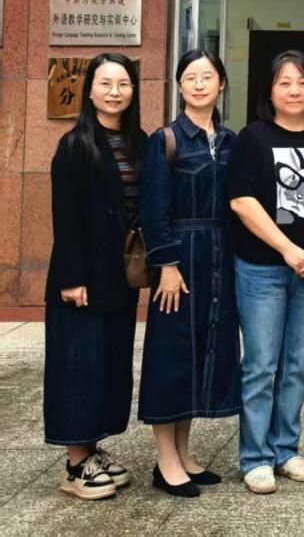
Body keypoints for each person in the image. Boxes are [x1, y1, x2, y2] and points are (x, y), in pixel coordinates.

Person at [228, 50, 304, 494]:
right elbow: (242, 202)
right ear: (270, 90)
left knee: (297, 366)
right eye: (284, 82)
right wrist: (289, 249)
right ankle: (255, 457)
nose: (294, 90)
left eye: (303, 82)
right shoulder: (252, 138)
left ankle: (285, 449)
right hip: (261, 270)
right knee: (260, 365)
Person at [139, 49, 239, 498]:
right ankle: (165, 461)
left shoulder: (231, 141)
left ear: (221, 84)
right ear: (179, 86)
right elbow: (153, 211)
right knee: (171, 355)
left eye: (207, 77)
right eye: (190, 78)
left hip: (219, 257)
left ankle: (183, 451)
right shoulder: (165, 140)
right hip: (181, 258)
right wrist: (166, 264)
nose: (199, 85)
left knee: (203, 352)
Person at [44, 53, 145, 500]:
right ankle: (74, 463)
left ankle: (92, 448)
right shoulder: (74, 145)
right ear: (89, 91)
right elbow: (64, 217)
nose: (114, 92)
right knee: (77, 366)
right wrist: (71, 278)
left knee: (107, 363)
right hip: (81, 276)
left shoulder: (139, 142)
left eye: (122, 84)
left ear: (133, 90)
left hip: (119, 275)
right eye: (105, 83)